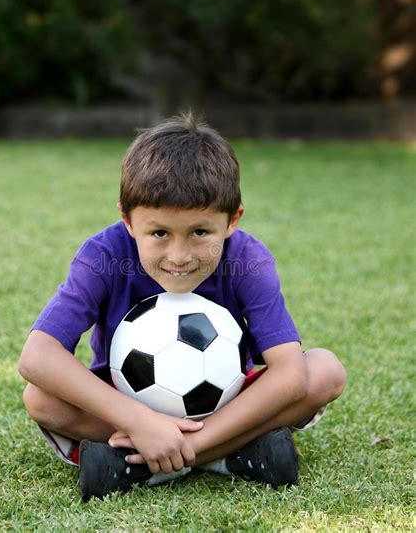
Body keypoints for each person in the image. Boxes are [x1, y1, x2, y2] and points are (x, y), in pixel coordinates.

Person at [18, 113, 346, 501]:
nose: (179, 255)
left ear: (232, 220)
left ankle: (146, 466)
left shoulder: (248, 261)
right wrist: (139, 421)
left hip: (227, 405)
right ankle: (233, 456)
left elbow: (290, 374)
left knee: (324, 371)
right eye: (159, 233)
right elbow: (36, 357)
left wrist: (193, 442)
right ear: (126, 219)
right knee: (39, 397)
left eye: (200, 233)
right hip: (125, 405)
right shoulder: (103, 256)